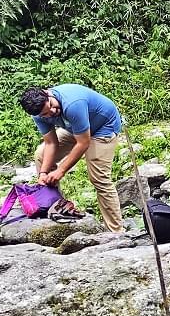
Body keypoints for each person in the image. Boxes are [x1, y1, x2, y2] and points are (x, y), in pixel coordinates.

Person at [19, 84, 124, 234]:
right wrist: (43, 173)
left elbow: (83, 143)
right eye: (45, 115)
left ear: (47, 94)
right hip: (76, 129)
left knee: (99, 177)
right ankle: (57, 207)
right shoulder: (38, 113)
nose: (52, 113)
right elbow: (51, 143)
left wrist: (61, 170)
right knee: (41, 156)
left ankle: (116, 232)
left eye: (51, 107)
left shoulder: (73, 104)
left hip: (103, 128)